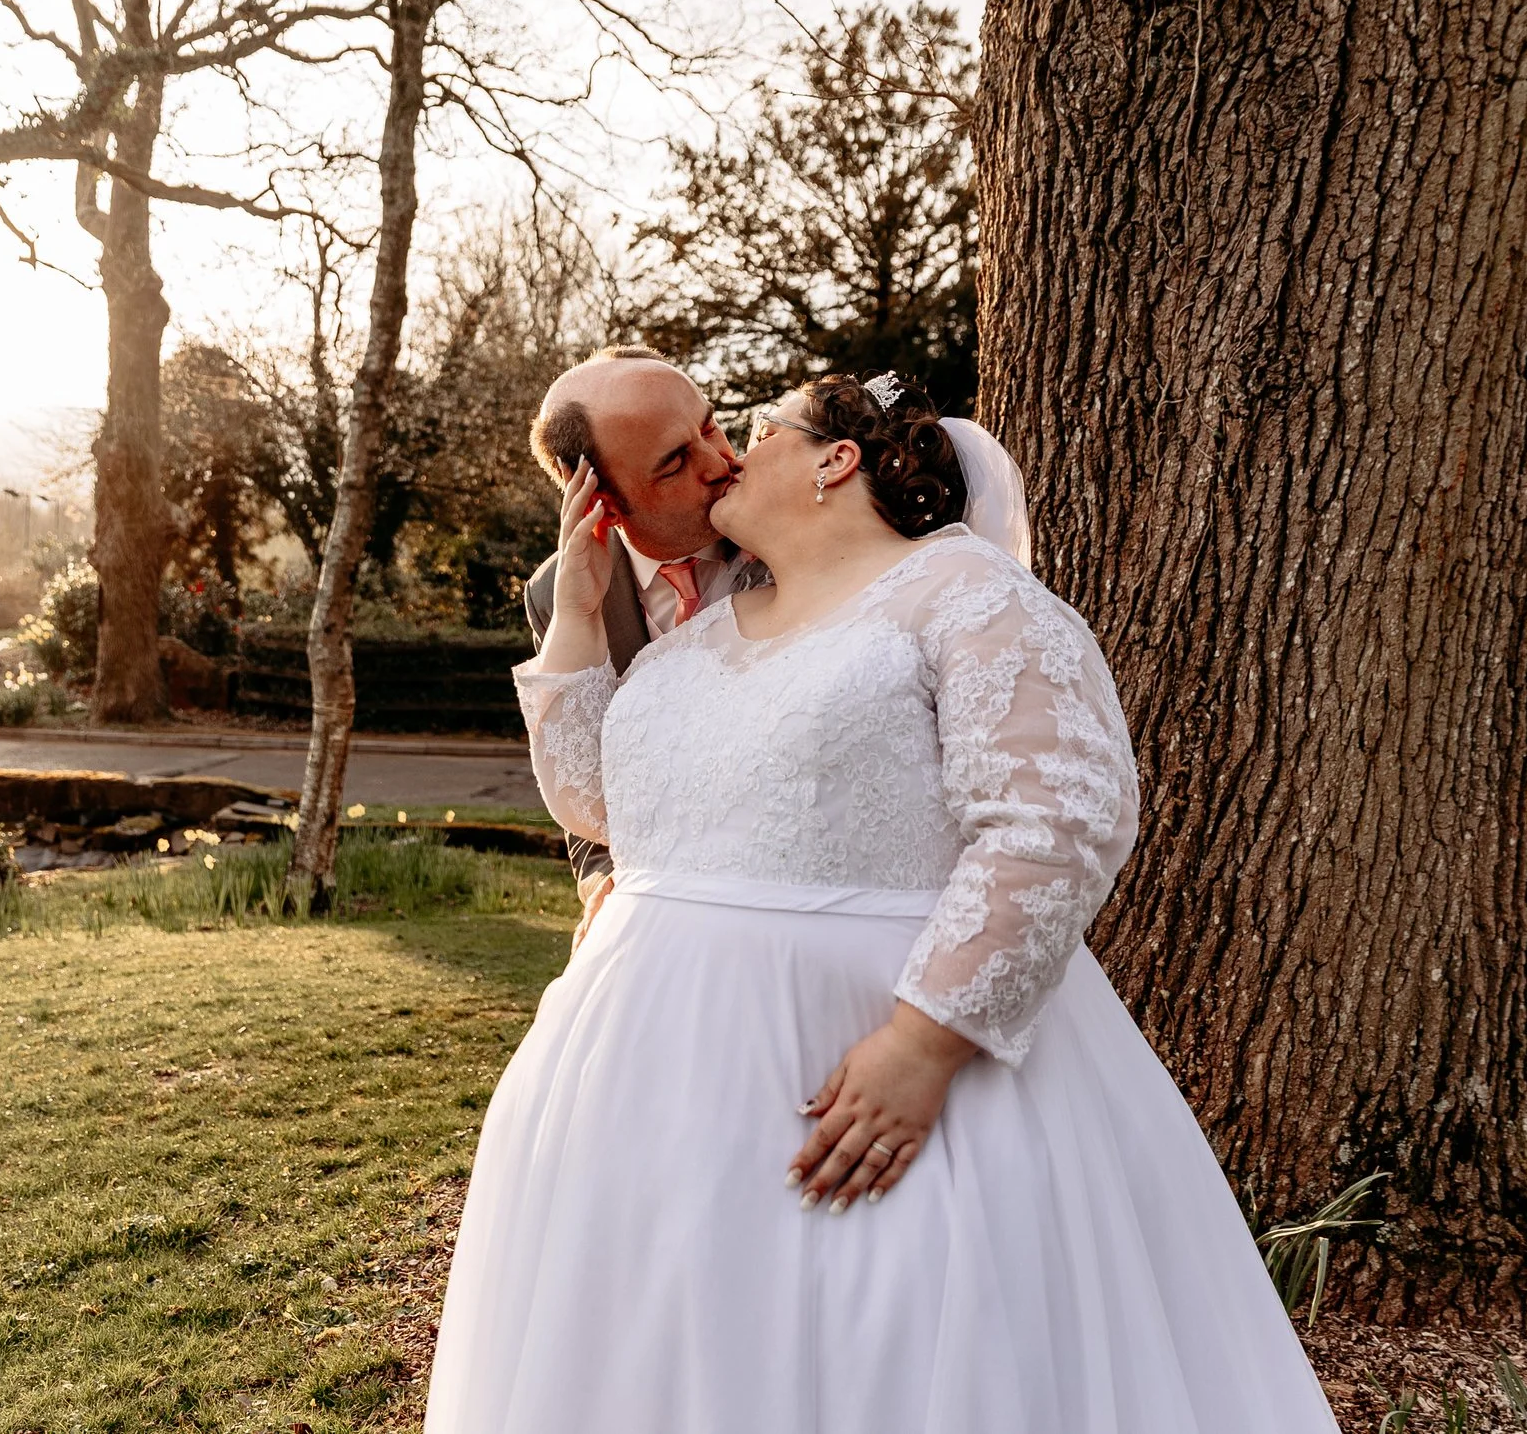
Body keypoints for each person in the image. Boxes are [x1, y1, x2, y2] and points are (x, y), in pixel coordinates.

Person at [425, 370, 1342, 1433]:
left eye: (753, 429)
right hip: (651, 1102)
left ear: (834, 458)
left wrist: (923, 1042)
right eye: (688, 452)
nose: (728, 454)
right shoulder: (695, 645)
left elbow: (1058, 819)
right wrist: (578, 611)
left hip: (884, 1072)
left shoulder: (966, 593)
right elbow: (598, 798)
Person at [520, 344, 766, 938]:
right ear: (602, 500)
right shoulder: (557, 593)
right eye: (675, 461)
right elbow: (584, 770)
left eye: (710, 426)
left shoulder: (791, 529)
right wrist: (599, 879)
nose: (718, 463)